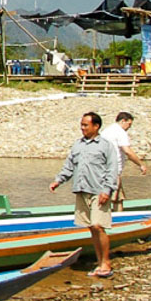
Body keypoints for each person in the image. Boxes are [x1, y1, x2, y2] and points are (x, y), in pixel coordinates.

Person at [50, 111, 118, 278]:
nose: (82, 128)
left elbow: (112, 169)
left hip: (99, 191)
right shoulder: (77, 145)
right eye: (81, 125)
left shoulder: (106, 145)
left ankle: (106, 263)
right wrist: (58, 180)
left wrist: (107, 190)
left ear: (96, 126)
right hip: (82, 191)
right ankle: (99, 262)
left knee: (98, 225)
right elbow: (69, 166)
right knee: (91, 228)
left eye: (85, 125)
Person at [102, 111, 147, 210]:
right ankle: (112, 221)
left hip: (102, 169)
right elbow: (127, 151)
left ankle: (116, 217)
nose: (129, 127)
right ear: (123, 121)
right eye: (129, 124)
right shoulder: (120, 132)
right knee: (111, 199)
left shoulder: (106, 131)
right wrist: (141, 164)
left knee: (118, 198)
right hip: (113, 170)